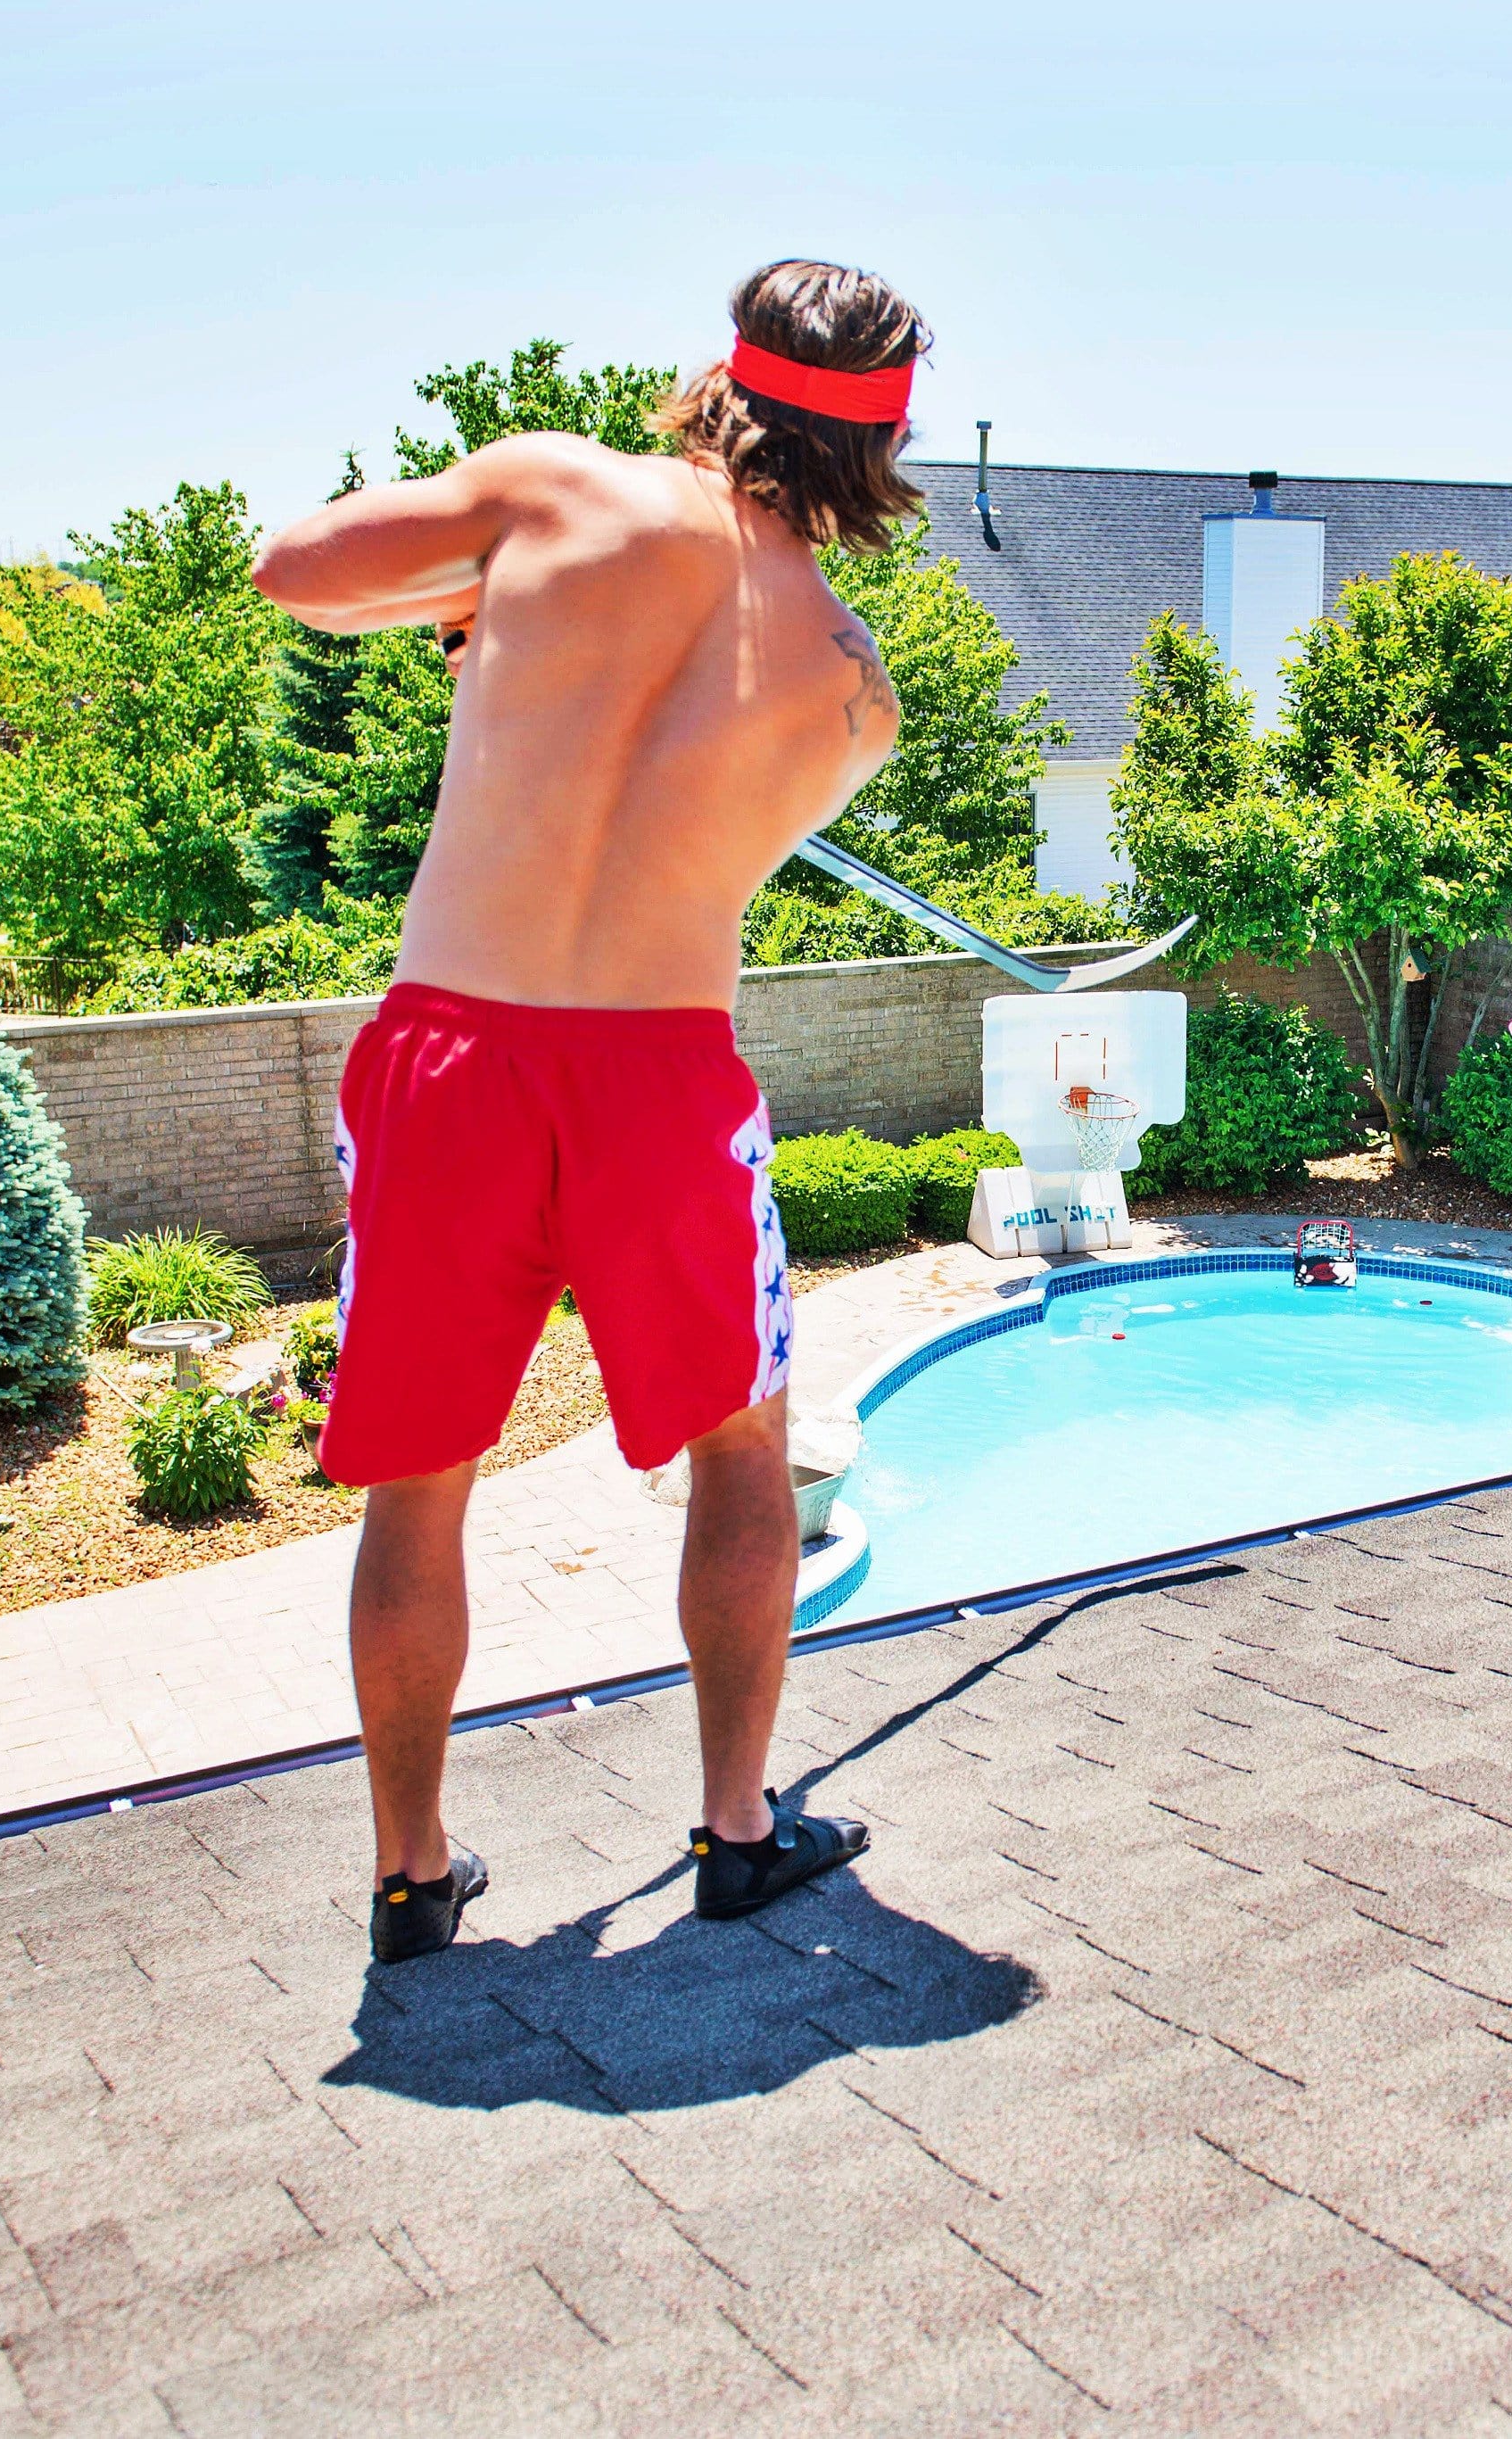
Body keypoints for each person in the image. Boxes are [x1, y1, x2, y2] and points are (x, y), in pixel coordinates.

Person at [251, 260, 926, 1961]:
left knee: (418, 1483)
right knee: (745, 1446)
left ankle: (411, 1871)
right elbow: (698, 823)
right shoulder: (856, 691)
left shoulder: (553, 487)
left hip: (455, 1054)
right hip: (659, 1071)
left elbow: (293, 573)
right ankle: (739, 1823)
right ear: (881, 457)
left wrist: (475, 606)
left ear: (720, 380)